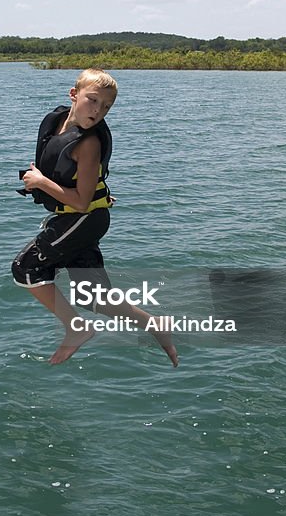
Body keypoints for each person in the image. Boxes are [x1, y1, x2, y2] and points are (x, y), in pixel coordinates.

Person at [12, 67, 178, 367]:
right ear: (73, 95)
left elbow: (80, 201)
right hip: (85, 218)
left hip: (83, 217)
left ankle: (77, 329)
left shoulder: (88, 143)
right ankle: (154, 324)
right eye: (93, 100)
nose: (98, 111)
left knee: (26, 269)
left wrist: (40, 182)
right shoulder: (58, 123)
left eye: (106, 107)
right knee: (93, 298)